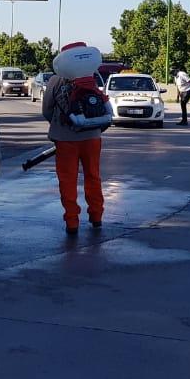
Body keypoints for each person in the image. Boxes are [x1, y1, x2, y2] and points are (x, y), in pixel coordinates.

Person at [43, 42, 110, 236]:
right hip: (92, 136)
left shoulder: (56, 80)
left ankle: (72, 221)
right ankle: (96, 215)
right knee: (93, 175)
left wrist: (61, 124)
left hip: (65, 139)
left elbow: (46, 110)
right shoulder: (89, 76)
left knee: (68, 179)